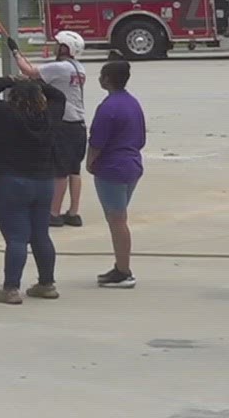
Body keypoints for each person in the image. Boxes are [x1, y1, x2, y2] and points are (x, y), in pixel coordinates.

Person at [0, 70, 66, 305]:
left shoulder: (5, 114)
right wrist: (36, 82)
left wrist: (9, 81)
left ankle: (11, 288)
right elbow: (59, 97)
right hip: (44, 181)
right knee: (40, 234)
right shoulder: (49, 117)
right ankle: (47, 283)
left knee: (16, 237)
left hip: (10, 180)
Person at [18, 31, 89, 227]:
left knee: (60, 171)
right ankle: (73, 212)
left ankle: (53, 212)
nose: (55, 47)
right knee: (74, 170)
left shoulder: (61, 68)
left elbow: (29, 71)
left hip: (64, 125)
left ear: (65, 48)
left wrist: (16, 54)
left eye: (58, 45)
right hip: (79, 125)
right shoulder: (79, 68)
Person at [87, 59, 146, 289]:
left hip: (112, 167)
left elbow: (97, 141)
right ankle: (120, 266)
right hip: (132, 163)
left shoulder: (108, 107)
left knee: (117, 219)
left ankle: (124, 270)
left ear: (107, 79)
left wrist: (91, 162)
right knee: (119, 216)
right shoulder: (132, 103)